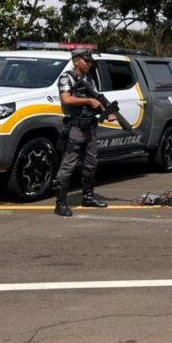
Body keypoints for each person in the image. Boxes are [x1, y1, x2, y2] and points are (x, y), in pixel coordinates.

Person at [52, 48, 115, 217]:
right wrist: (88, 100)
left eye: (90, 61)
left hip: (90, 126)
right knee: (68, 164)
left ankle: (88, 197)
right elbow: (66, 99)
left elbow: (96, 99)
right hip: (74, 127)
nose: (89, 64)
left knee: (90, 163)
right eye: (86, 61)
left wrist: (107, 111)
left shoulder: (89, 78)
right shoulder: (67, 77)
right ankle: (60, 203)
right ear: (76, 60)